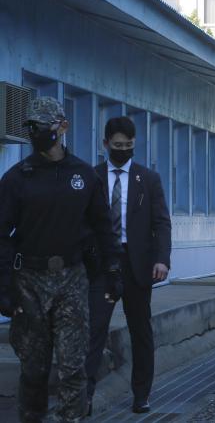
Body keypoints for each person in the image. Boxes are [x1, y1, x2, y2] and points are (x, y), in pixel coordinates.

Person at [0, 97, 122, 422]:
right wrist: (4, 287)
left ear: (63, 127)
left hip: (72, 279)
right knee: (34, 368)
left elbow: (103, 227)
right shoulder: (16, 179)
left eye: (44, 126)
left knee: (73, 366)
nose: (37, 133)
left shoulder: (84, 175)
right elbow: (1, 236)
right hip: (29, 282)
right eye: (32, 127)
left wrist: (113, 269)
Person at [85, 116, 172, 414]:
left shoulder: (148, 179)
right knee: (94, 330)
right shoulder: (92, 177)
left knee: (141, 331)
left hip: (137, 264)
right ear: (106, 144)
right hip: (102, 264)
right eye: (118, 145)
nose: (123, 150)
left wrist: (162, 259)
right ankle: (84, 396)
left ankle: (141, 394)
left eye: (129, 146)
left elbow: (161, 222)